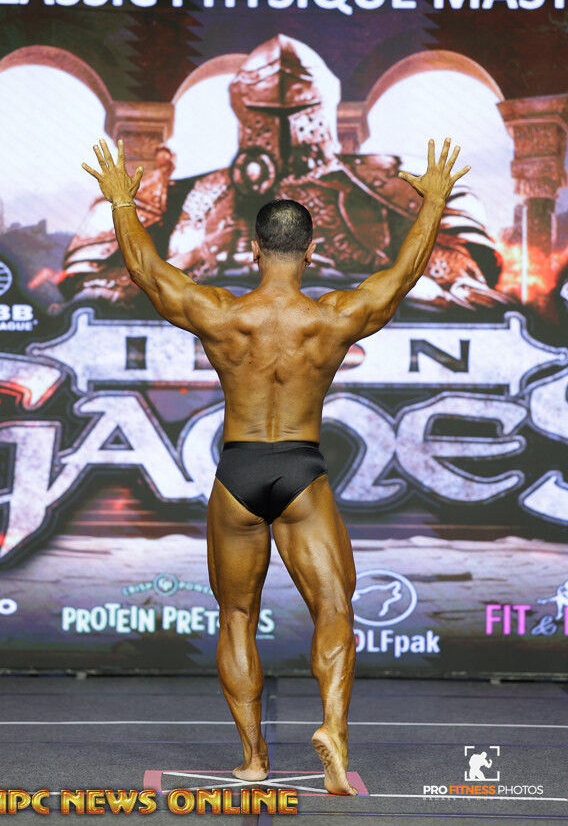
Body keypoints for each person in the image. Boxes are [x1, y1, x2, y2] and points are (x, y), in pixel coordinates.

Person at [82, 135, 470, 796]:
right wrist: (432, 202)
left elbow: (148, 273)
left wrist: (122, 201)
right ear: (310, 250)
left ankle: (254, 757)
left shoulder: (221, 314)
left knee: (236, 616)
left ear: (254, 248)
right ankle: (334, 731)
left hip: (237, 473)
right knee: (334, 605)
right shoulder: (333, 318)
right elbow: (403, 276)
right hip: (300, 470)